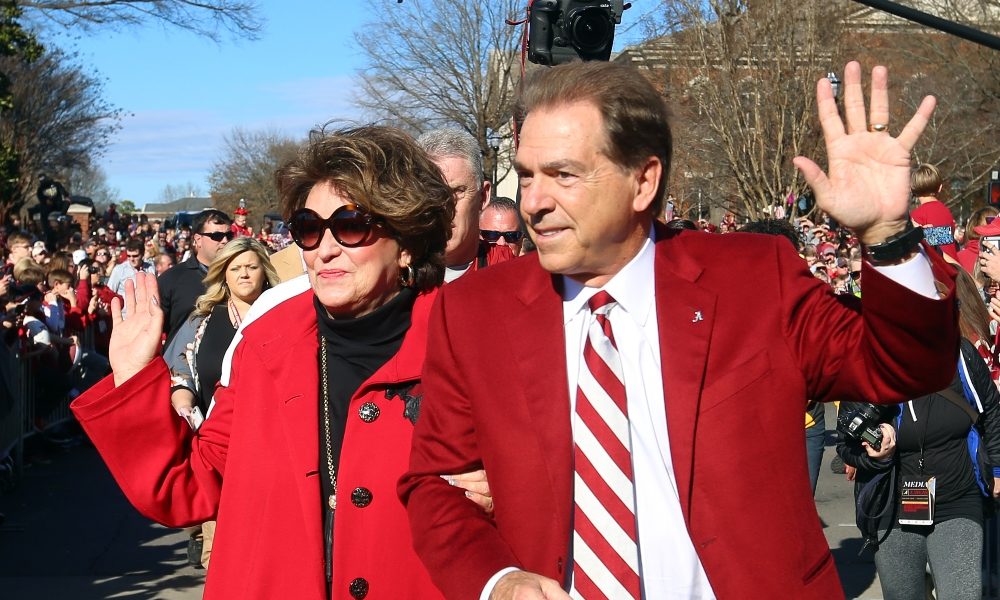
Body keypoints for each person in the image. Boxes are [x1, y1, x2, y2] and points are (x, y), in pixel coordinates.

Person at [400, 60, 957, 600]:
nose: (533, 203)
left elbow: (906, 366)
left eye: (563, 175)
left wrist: (887, 234)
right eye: (526, 177)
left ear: (643, 181)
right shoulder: (473, 313)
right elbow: (434, 488)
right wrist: (498, 582)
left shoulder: (754, 278)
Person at [70, 125, 490, 599]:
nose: (325, 248)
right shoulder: (267, 342)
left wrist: (507, 492)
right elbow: (193, 481)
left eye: (351, 224)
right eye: (309, 229)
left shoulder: (475, 342)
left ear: (408, 239)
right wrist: (131, 377)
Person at [838, 270, 1000, 600]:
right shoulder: (867, 365)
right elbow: (846, 443)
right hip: (892, 508)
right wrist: (876, 457)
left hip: (958, 499)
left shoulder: (962, 357)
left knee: (964, 595)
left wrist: (997, 470)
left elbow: (993, 414)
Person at [163, 236, 279, 569]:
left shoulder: (286, 313)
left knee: (267, 546)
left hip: (272, 443)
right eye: (236, 268)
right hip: (218, 445)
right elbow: (180, 374)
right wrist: (183, 402)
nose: (244, 274)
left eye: (252, 267)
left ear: (264, 270)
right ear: (223, 274)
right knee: (222, 552)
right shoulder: (201, 320)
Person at [417, 129, 513, 281]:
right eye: (431, 193)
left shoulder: (510, 272)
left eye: (456, 192)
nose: (443, 207)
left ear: (483, 196)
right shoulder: (392, 276)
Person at [157, 209, 233, 348]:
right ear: (198, 240)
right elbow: (153, 331)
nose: (225, 241)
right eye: (217, 236)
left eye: (229, 235)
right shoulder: (172, 279)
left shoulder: (239, 276)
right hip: (183, 364)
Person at [910, 163, 958, 261]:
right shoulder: (946, 211)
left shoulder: (915, 216)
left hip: (937, 269)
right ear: (940, 187)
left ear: (912, 189)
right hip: (955, 267)